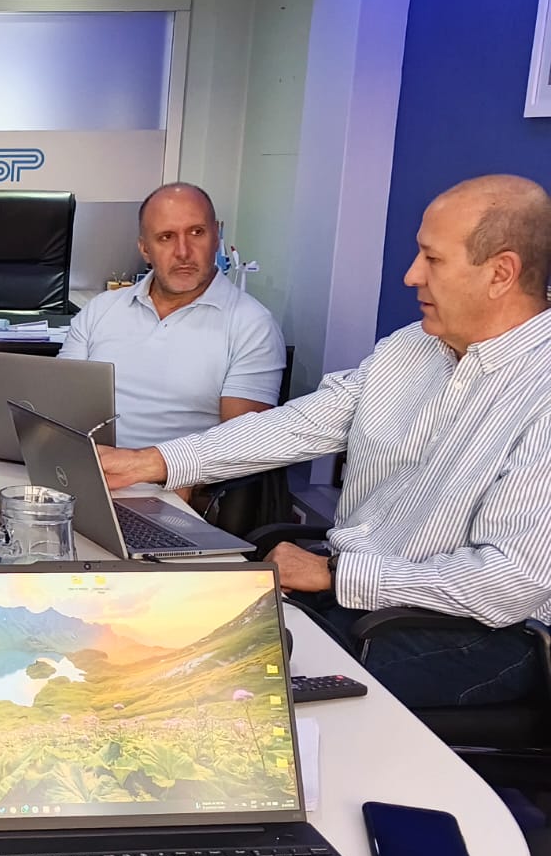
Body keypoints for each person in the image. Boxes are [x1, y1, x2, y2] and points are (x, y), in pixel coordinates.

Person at [99, 174, 551, 709]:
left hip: (484, 633)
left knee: (218, 688)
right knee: (156, 637)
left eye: (432, 259)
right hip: (354, 595)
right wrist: (150, 462)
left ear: (500, 273)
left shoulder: (539, 390)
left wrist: (336, 573)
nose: (411, 275)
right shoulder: (410, 349)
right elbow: (294, 426)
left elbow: (508, 582)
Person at [58, 182, 286, 447]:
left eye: (196, 232)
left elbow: (238, 448)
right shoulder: (100, 309)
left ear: (216, 237)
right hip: (82, 463)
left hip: (177, 474)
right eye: (166, 237)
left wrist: (140, 466)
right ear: (145, 249)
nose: (183, 252)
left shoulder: (253, 326)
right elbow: (60, 406)